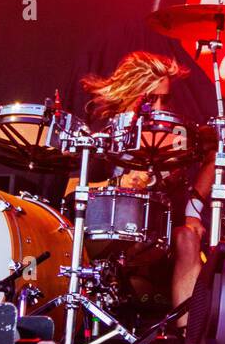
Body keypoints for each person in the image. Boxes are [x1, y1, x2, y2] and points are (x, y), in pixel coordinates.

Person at [64, 51, 213, 325]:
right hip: (102, 236)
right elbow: (70, 191)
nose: (158, 107)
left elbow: (214, 152)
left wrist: (193, 211)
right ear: (129, 93)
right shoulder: (102, 131)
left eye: (165, 99)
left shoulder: (174, 133)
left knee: (188, 238)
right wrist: (119, 183)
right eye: (149, 100)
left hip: (157, 238)